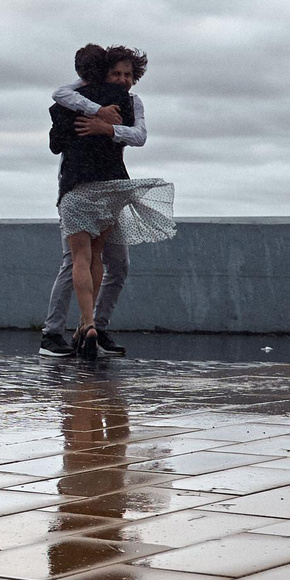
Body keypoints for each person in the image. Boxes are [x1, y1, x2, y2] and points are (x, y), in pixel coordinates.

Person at [41, 45, 175, 360]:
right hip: (83, 187)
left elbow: (138, 136)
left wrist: (106, 127)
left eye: (128, 74)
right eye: (117, 73)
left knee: (113, 263)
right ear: (104, 73)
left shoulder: (130, 102)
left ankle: (94, 328)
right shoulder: (74, 98)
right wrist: (96, 111)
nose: (123, 79)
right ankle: (53, 332)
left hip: (108, 188)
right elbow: (61, 104)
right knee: (79, 261)